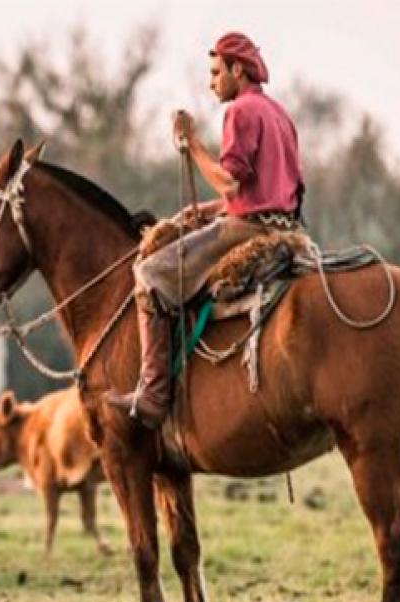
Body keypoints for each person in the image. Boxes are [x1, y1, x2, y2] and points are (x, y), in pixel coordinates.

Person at [106, 32, 304, 429]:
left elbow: (230, 184)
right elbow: (259, 192)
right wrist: (201, 213)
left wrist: (191, 141)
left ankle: (152, 394)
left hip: (248, 232)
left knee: (148, 274)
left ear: (237, 69)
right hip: (284, 226)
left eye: (216, 72)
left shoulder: (241, 112)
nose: (211, 82)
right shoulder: (278, 113)